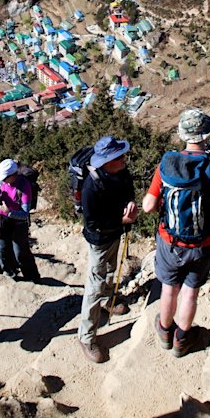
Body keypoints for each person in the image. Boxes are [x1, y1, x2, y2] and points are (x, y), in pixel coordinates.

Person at [143, 108, 210, 358]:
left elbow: (148, 206)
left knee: (169, 288)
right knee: (191, 291)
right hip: (203, 242)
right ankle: (182, 340)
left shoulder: (167, 164)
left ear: (182, 134)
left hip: (169, 241)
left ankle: (164, 330)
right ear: (207, 135)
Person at [78, 135, 137, 363]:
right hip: (100, 240)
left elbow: (128, 189)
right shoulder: (91, 187)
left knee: (112, 268)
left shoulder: (120, 172)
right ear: (106, 162)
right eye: (118, 157)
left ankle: (108, 300)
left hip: (115, 234)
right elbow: (93, 224)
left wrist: (130, 202)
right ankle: (86, 336)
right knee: (94, 284)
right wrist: (121, 221)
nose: (123, 159)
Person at [0, 158, 40, 283]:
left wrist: (9, 212)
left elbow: (24, 213)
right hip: (0, 221)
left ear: (13, 176)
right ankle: (10, 275)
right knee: (1, 251)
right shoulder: (0, 182)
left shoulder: (24, 186)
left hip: (18, 223)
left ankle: (32, 278)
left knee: (21, 253)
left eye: (5, 178)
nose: (2, 180)